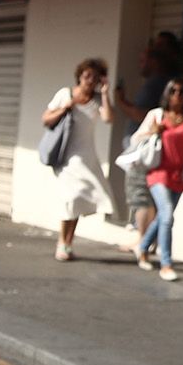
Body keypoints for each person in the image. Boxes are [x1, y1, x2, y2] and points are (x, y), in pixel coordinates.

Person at [128, 78, 183, 282]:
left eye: (182, 92)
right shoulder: (156, 115)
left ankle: (143, 247)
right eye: (173, 91)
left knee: (163, 216)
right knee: (167, 215)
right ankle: (166, 263)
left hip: (180, 174)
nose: (177, 96)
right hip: (158, 172)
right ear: (167, 94)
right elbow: (135, 140)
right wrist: (152, 132)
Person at [115, 32, 183, 253]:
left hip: (144, 152)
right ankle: (146, 240)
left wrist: (120, 101)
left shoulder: (156, 83)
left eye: (145, 60)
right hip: (149, 151)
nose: (140, 64)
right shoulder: (162, 83)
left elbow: (138, 114)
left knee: (141, 195)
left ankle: (142, 239)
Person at [42, 57, 115, 261]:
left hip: (86, 155)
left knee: (78, 199)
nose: (89, 81)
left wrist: (105, 93)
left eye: (94, 77)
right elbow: (45, 119)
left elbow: (109, 118)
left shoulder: (97, 100)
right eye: (86, 76)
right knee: (70, 198)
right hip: (66, 155)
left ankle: (67, 243)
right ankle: (61, 242)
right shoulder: (65, 94)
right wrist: (65, 108)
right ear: (79, 76)